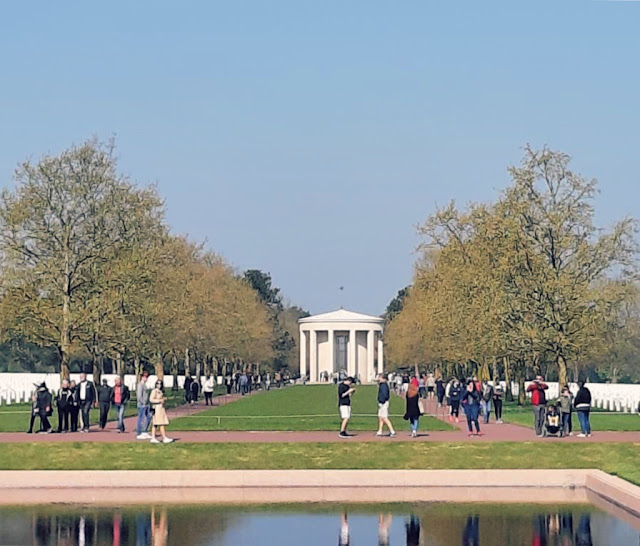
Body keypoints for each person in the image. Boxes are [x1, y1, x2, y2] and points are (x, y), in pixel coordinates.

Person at [149, 380, 173, 444]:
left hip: (161, 408)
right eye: (158, 383)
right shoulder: (154, 391)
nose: (159, 385)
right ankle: (164, 437)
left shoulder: (160, 391)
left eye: (160, 384)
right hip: (157, 408)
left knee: (156, 423)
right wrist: (159, 400)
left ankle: (153, 437)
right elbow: (151, 399)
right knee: (160, 423)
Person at [136, 371, 152, 440]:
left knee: (149, 417)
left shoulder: (144, 385)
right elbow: (139, 396)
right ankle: (139, 432)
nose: (146, 378)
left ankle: (144, 431)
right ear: (142, 377)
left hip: (146, 404)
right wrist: (143, 402)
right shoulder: (140, 385)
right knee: (141, 418)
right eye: (145, 377)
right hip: (142, 405)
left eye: (146, 377)